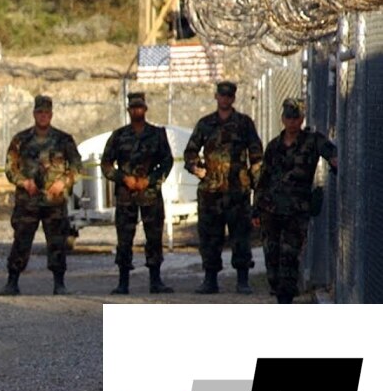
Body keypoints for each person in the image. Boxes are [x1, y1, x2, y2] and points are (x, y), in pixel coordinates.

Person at [252, 98, 338, 304]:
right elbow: (263, 180)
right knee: (272, 257)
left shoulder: (312, 141)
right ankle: (279, 291)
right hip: (271, 210)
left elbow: (332, 154)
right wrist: (256, 210)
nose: (292, 122)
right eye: (288, 118)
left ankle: (286, 299)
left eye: (296, 118)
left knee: (289, 255)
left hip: (296, 211)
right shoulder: (274, 146)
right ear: (283, 119)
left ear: (302, 119)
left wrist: (335, 161)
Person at [183, 80, 263, 294]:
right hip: (211, 191)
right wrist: (196, 168)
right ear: (216, 96)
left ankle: (243, 280)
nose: (225, 99)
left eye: (229, 96)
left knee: (241, 237)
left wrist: (254, 180)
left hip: (237, 191)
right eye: (222, 95)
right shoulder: (205, 124)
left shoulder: (244, 123)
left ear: (233, 98)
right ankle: (210, 279)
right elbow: (190, 152)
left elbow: (256, 154)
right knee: (210, 237)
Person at [2, 95, 82, 296]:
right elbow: (10, 169)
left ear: (51, 114)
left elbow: (77, 167)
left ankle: (59, 284)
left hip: (54, 202)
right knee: (21, 241)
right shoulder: (20, 140)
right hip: (27, 201)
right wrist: (24, 182)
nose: (43, 116)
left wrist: (63, 182)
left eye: (46, 112)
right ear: (34, 114)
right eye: (40, 112)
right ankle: (12, 282)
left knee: (57, 242)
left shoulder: (64, 140)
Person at [100, 92, 175, 295]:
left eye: (139, 107)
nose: (136, 111)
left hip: (150, 194)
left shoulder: (157, 134)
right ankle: (123, 282)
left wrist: (150, 180)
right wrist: (123, 178)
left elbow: (167, 161)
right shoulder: (119, 136)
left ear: (145, 109)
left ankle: (155, 280)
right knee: (124, 239)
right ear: (128, 110)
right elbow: (106, 164)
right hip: (126, 195)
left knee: (154, 237)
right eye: (133, 108)